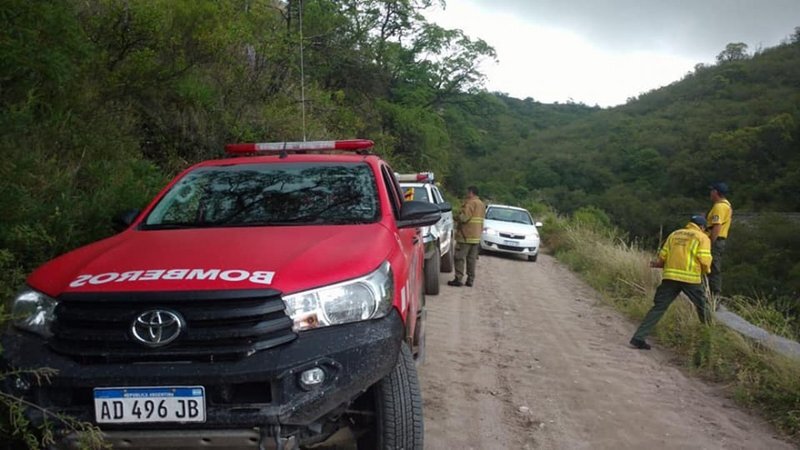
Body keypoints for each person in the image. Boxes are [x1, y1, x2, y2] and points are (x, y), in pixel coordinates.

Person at [630, 215, 712, 350]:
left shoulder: (674, 234)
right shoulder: (702, 237)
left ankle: (638, 337)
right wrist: (706, 271)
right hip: (690, 279)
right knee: (703, 308)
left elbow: (663, 257)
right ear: (702, 227)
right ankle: (708, 343)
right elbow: (704, 260)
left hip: (670, 277)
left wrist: (658, 265)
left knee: (658, 308)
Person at [448, 186, 485, 287]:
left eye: (467, 192)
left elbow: (464, 218)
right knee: (471, 259)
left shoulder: (470, 203)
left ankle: (458, 279)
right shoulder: (481, 204)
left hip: (465, 235)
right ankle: (470, 280)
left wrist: (455, 217)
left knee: (459, 257)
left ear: (471, 193)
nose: (466, 194)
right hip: (476, 237)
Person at [706, 182, 733, 299]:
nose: (710, 193)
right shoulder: (726, 205)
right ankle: (712, 293)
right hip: (719, 240)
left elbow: (717, 226)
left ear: (716, 192)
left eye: (712, 191)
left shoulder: (719, 207)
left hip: (716, 240)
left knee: (713, 267)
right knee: (713, 266)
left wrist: (711, 242)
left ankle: (714, 295)